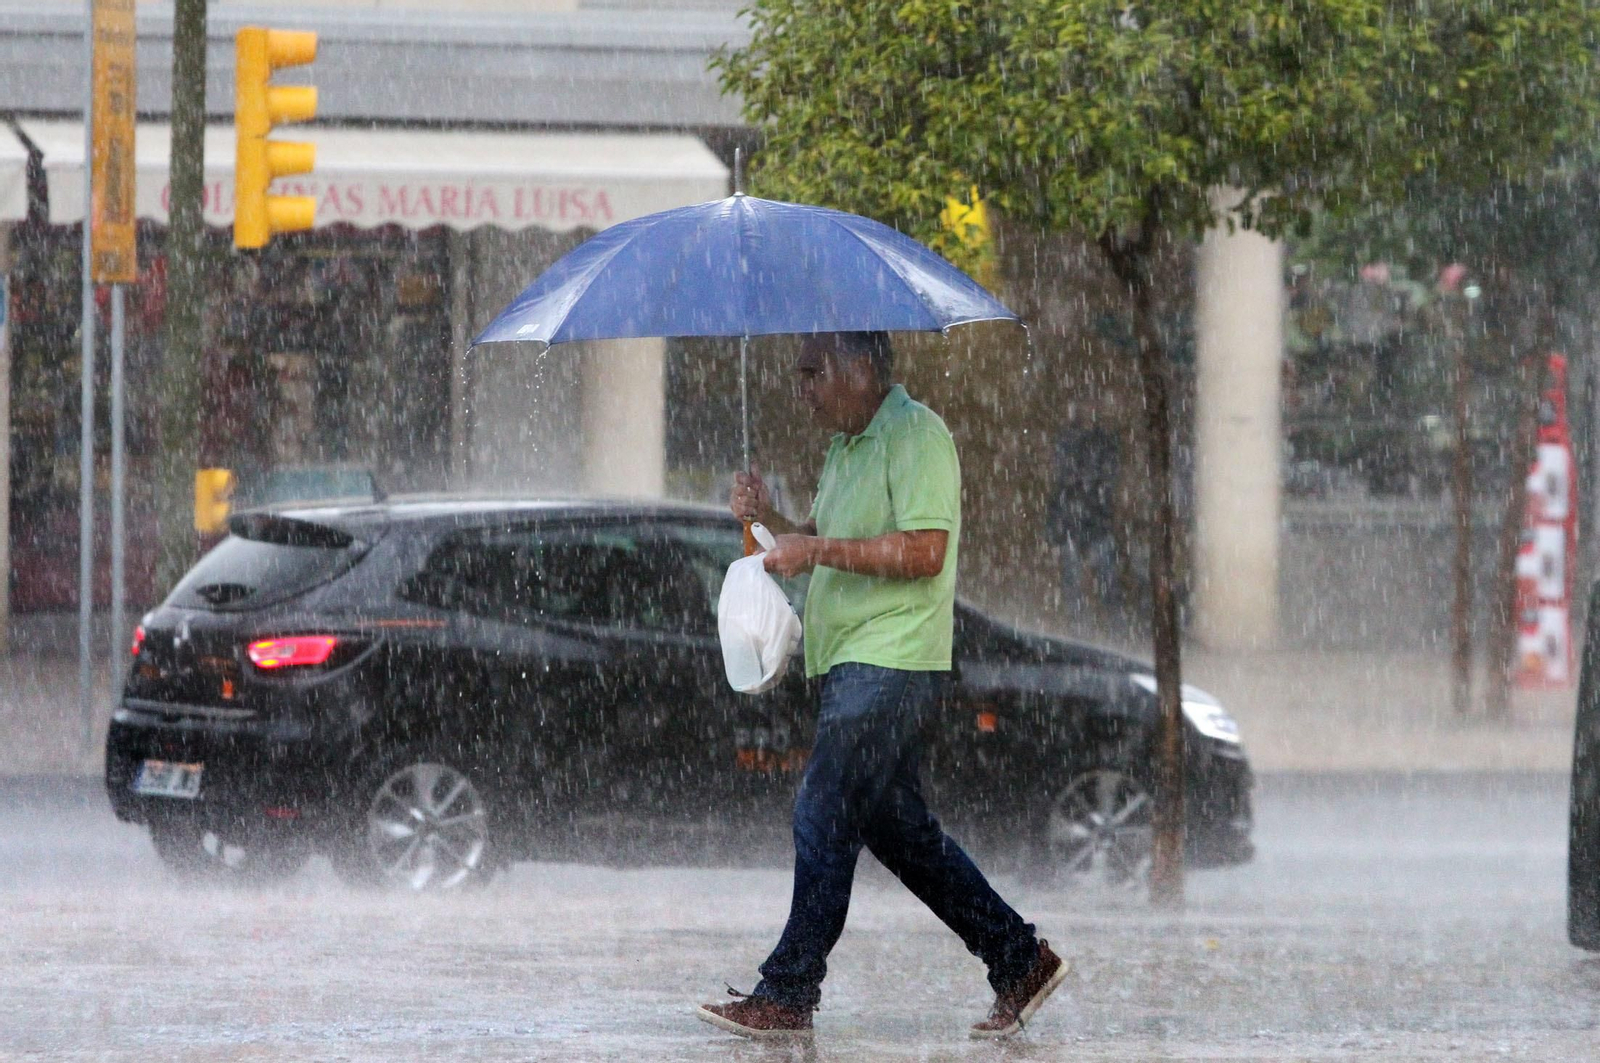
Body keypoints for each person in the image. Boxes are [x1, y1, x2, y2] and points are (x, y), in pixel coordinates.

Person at [697, 331, 1065, 1041]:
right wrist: (766, 519)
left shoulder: (917, 435)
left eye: (813, 373)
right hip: (847, 662)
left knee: (823, 806)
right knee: (903, 834)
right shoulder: (843, 450)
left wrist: (816, 547)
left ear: (862, 368)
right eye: (799, 375)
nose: (802, 388)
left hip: (892, 660)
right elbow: (814, 541)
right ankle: (1019, 959)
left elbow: (926, 551)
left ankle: (788, 989)